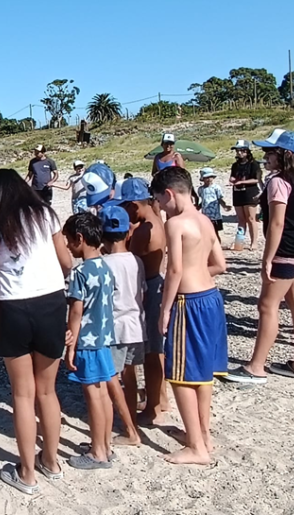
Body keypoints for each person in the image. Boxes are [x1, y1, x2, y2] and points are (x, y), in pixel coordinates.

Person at [0, 169, 72, 494]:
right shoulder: (44, 213)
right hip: (51, 302)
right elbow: (66, 262)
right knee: (47, 392)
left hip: (13, 307)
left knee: (23, 396)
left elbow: (0, 269)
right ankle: (52, 461)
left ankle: (27, 473)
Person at [224, 130, 294, 385]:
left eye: (269, 152)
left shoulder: (279, 181)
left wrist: (268, 259)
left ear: (283, 155)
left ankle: (256, 367)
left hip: (287, 251)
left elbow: (276, 224)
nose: (265, 157)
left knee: (267, 306)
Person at [150, 167, 228, 464]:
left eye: (160, 201)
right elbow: (220, 264)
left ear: (169, 194)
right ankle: (203, 434)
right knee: (203, 371)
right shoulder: (205, 220)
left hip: (189, 303)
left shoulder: (176, 223)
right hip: (211, 298)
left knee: (181, 375)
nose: (160, 208)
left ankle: (196, 446)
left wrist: (165, 309)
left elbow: (174, 270)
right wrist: (195, 275)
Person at [63, 212, 117, 469]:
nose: (66, 246)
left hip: (87, 340)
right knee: (103, 393)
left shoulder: (80, 272)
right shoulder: (106, 267)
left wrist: (70, 346)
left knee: (92, 395)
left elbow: (76, 311)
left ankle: (98, 452)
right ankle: (105, 444)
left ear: (80, 238)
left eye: (68, 241)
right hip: (105, 337)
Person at [118, 176, 171, 425]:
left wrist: (124, 237)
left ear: (133, 205)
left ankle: (152, 408)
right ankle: (160, 398)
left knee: (151, 352)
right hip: (156, 281)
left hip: (148, 286)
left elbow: (128, 260)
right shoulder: (156, 217)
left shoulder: (143, 231)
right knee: (157, 349)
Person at [100, 205, 145, 448]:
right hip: (136, 325)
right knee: (131, 374)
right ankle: (132, 421)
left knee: (110, 379)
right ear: (128, 232)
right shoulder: (136, 260)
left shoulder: (105, 264)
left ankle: (126, 429)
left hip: (115, 328)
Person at [229, 140, 262, 249]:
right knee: (241, 219)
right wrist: (232, 179)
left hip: (249, 193)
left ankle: (254, 242)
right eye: (237, 151)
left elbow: (257, 180)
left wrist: (242, 182)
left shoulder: (254, 164)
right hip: (237, 192)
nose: (239, 153)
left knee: (251, 218)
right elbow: (232, 176)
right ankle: (239, 243)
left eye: (241, 150)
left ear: (247, 151)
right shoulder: (235, 165)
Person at [198, 168, 230, 234]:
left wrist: (225, 206)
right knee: (207, 233)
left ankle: (218, 244)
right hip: (205, 215)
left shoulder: (216, 188)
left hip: (215, 216)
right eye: (207, 177)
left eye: (211, 177)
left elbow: (220, 199)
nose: (209, 179)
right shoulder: (201, 189)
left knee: (215, 233)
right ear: (203, 179)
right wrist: (197, 208)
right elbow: (203, 200)